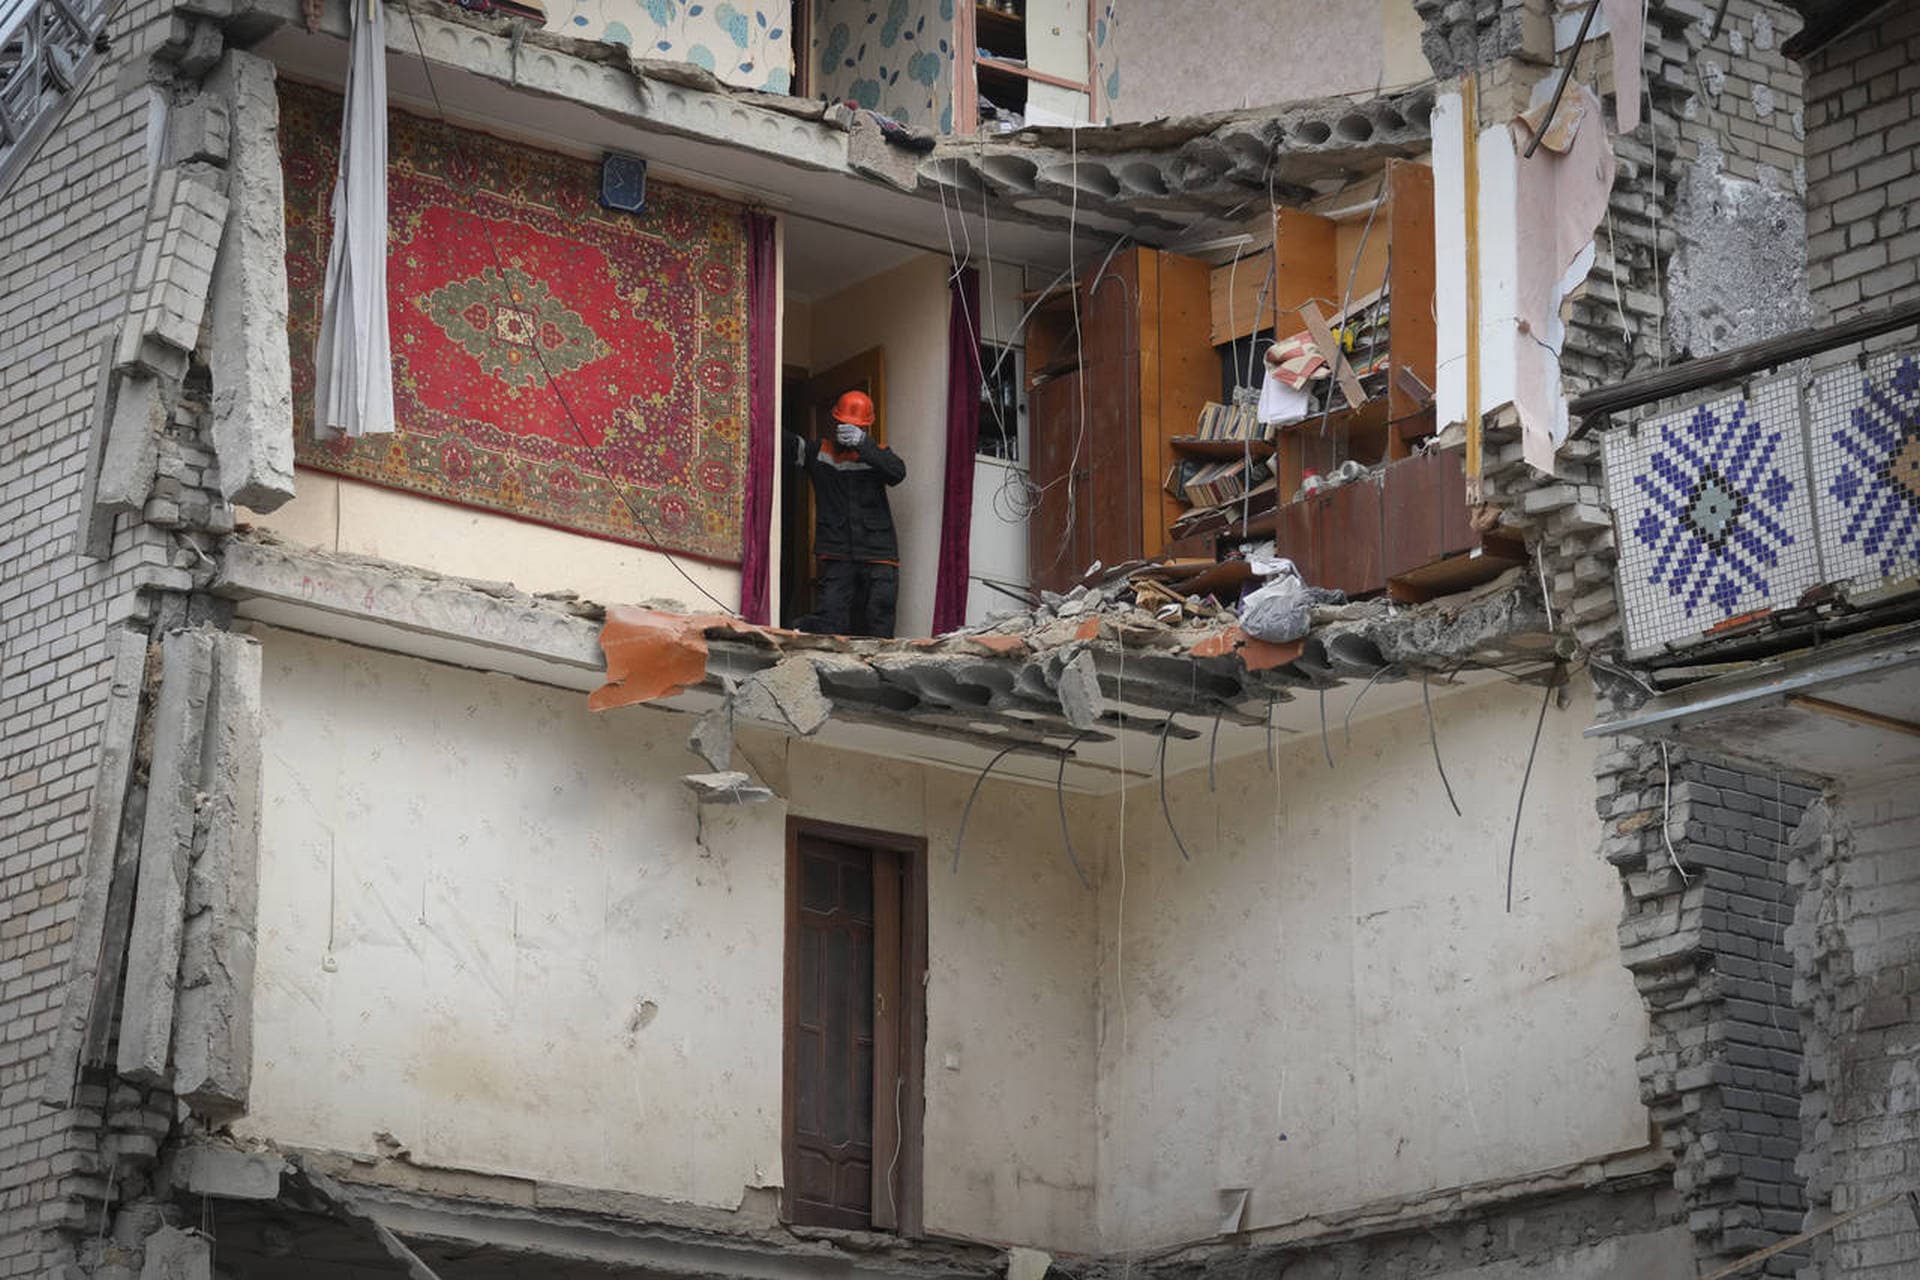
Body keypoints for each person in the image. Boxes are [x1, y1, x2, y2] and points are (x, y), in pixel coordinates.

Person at [786, 389, 907, 637]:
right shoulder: (820, 452)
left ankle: (877, 671)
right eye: (845, 424)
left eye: (857, 427)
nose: (849, 430)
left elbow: (897, 473)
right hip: (838, 552)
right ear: (836, 421)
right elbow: (789, 445)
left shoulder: (877, 455)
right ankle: (797, 628)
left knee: (879, 622)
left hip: (878, 554)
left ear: (866, 428)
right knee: (832, 619)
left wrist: (864, 445)